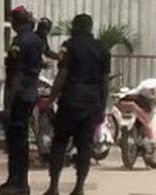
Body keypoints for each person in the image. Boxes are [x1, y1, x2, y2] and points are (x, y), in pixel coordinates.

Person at [43, 14, 111, 195]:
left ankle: (53, 186)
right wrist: (103, 106)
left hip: (71, 100)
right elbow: (105, 81)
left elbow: (62, 74)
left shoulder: (69, 46)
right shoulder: (102, 48)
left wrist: (51, 99)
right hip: (92, 102)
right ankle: (79, 186)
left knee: (59, 143)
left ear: (77, 27)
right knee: (85, 146)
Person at [0, 6, 44, 195]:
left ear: (16, 21)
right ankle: (19, 182)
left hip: (20, 96)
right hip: (30, 93)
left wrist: (8, 104)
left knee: (16, 142)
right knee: (21, 141)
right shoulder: (36, 40)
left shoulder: (20, 42)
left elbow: (17, 76)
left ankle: (17, 183)